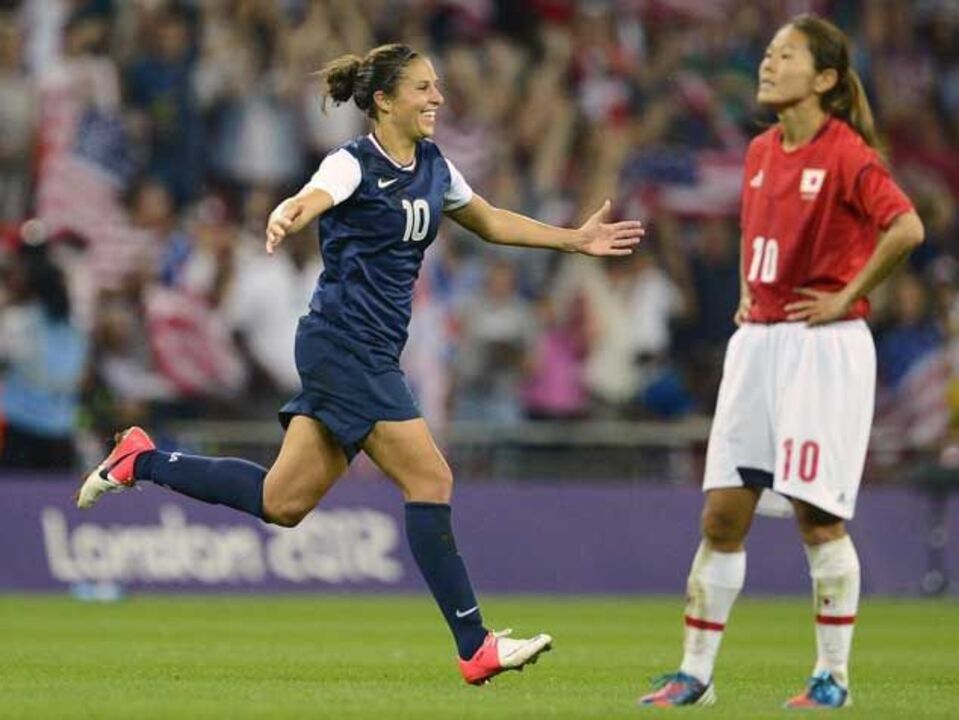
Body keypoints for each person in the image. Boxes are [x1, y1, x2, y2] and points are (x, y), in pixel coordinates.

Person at [76, 43, 644, 685]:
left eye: (438, 87)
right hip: (343, 345)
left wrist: (571, 239)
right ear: (384, 100)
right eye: (424, 88)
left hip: (365, 350)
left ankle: (140, 459)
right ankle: (474, 644)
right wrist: (290, 212)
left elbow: (487, 221)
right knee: (431, 479)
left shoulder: (434, 165)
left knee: (282, 502)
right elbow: (317, 194)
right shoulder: (353, 164)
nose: (437, 98)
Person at [637, 15, 924, 709]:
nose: (767, 64)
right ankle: (695, 676)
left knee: (815, 518)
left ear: (823, 79)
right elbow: (751, 228)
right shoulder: (762, 149)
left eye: (784, 55)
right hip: (758, 341)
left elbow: (906, 227)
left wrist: (845, 297)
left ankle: (833, 678)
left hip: (821, 347)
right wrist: (746, 290)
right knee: (721, 517)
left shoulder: (847, 152)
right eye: (766, 53)